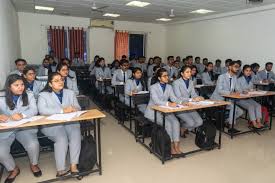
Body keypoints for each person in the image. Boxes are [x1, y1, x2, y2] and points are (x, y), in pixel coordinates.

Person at [38, 72, 81, 177]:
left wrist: (74, 108)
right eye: (56, 81)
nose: (60, 82)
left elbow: (78, 107)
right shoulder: (43, 95)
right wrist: (62, 111)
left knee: (76, 135)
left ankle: (73, 166)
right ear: (50, 84)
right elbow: (42, 110)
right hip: (52, 124)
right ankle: (60, 169)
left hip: (69, 122)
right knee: (62, 139)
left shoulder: (70, 93)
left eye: (61, 79)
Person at [0, 74, 41, 183]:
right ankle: (13, 169)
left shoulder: (29, 94)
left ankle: (34, 164)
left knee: (33, 145)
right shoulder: (1, 96)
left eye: (22, 84)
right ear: (9, 87)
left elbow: (34, 110)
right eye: (16, 85)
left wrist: (22, 115)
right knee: (1, 151)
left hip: (24, 127)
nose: (20, 87)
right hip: (7, 129)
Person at [144, 68, 183, 155]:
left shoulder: (169, 87)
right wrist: (169, 104)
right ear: (159, 78)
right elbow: (156, 101)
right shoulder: (153, 87)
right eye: (164, 76)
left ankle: (176, 146)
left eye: (167, 76)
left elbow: (174, 98)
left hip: (165, 110)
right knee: (168, 124)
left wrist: (182, 102)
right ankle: (171, 146)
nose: (167, 77)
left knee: (176, 122)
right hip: (153, 111)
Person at [210, 60, 243, 134]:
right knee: (233, 107)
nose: (237, 69)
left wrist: (241, 91)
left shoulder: (235, 77)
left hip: (227, 99)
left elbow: (238, 88)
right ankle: (231, 127)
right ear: (229, 67)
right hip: (218, 99)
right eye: (235, 67)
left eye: (238, 67)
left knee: (240, 112)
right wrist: (231, 93)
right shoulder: (221, 77)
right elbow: (219, 90)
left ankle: (225, 121)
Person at [173, 66, 204, 136]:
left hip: (189, 106)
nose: (189, 73)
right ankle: (183, 127)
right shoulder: (176, 83)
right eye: (187, 72)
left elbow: (193, 94)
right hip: (180, 106)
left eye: (190, 72)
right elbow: (178, 97)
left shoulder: (191, 82)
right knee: (191, 123)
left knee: (200, 122)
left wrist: (198, 97)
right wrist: (191, 99)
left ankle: (184, 128)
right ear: (182, 73)